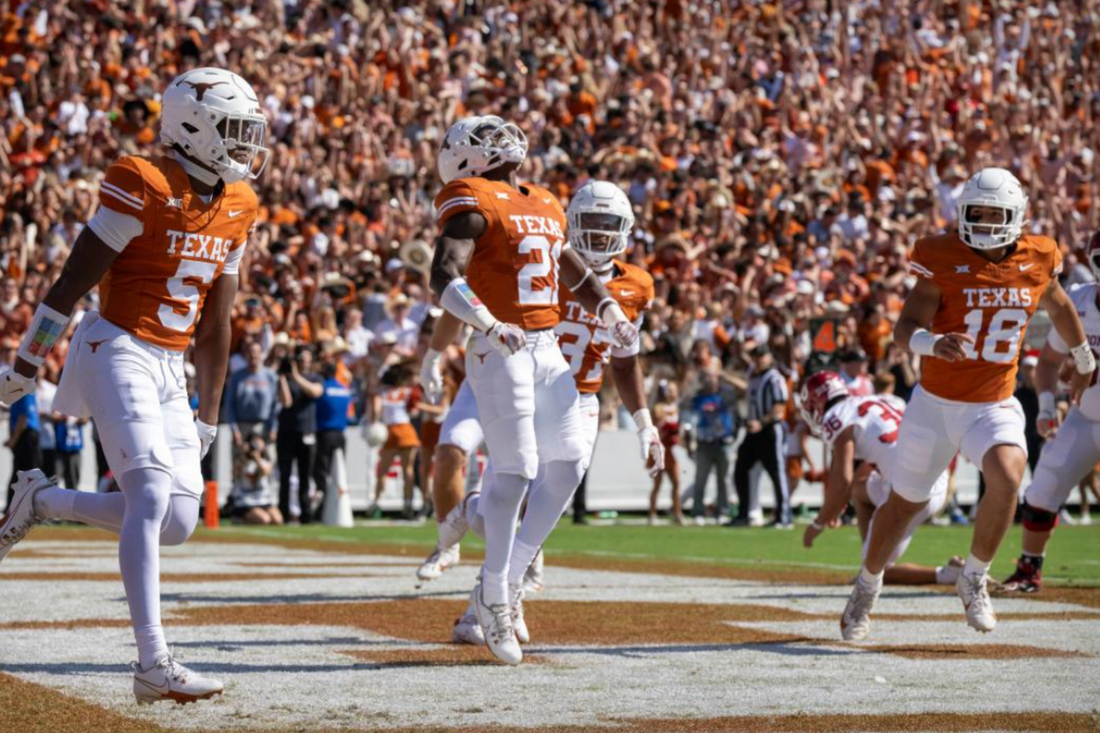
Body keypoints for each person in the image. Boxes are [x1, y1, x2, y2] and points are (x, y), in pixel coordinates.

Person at [0, 67, 266, 703]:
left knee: (176, 520)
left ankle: (41, 501)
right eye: (234, 130)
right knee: (148, 494)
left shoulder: (240, 203)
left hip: (171, 365)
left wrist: (210, 414)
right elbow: (69, 285)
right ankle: (153, 662)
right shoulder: (140, 180)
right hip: (115, 344)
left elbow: (217, 323)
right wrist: (25, 366)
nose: (245, 143)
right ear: (192, 126)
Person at [840, 168, 1093, 641]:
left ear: (1015, 216)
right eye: (974, 211)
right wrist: (932, 344)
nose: (981, 220)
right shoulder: (941, 256)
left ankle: (974, 576)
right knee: (902, 505)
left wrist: (1082, 356)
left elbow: (1059, 305)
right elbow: (904, 327)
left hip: (993, 403)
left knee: (1009, 473)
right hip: (934, 406)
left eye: (992, 213)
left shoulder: (1037, 255)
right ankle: (867, 587)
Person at [429, 141, 641, 667]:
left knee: (568, 461)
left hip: (546, 350)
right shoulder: (471, 197)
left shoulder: (543, 201)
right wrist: (488, 324)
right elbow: (444, 277)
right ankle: (496, 594)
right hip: (501, 345)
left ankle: (500, 572)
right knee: (518, 469)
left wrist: (610, 309)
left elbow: (572, 271)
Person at [1001, 234, 1100, 594]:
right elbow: (1049, 362)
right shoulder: (1080, 302)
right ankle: (1029, 571)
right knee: (1043, 487)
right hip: (1085, 416)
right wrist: (1045, 407)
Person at [800, 371, 963, 585]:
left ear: (816, 403)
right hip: (937, 474)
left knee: (874, 570)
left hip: (911, 491)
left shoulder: (837, 416)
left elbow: (842, 480)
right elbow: (862, 474)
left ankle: (949, 574)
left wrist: (818, 524)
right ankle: (875, 548)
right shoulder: (880, 400)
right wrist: (838, 504)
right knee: (861, 491)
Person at [733, 344, 792, 528]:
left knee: (777, 472)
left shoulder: (774, 378)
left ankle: (783, 516)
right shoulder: (755, 378)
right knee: (740, 469)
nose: (758, 359)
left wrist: (762, 422)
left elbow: (779, 406)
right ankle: (744, 514)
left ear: (769, 357)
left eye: (761, 355)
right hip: (754, 432)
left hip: (770, 430)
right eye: (756, 356)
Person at [276, 345, 323, 523]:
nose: (304, 362)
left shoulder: (315, 377)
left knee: (305, 475)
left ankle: (306, 513)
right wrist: (282, 376)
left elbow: (315, 392)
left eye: (306, 358)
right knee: (285, 475)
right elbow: (285, 402)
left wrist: (295, 376)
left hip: (307, 430)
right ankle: (284, 513)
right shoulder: (287, 379)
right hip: (287, 431)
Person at [686, 370, 739, 525]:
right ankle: (698, 511)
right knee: (700, 479)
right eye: (707, 377)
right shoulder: (697, 397)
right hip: (704, 441)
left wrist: (727, 377)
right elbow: (686, 409)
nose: (710, 381)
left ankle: (722, 510)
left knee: (723, 479)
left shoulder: (726, 395)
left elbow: (743, 391)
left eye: (712, 377)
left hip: (723, 441)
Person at [371, 362, 422, 520]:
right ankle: (407, 505)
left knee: (383, 470)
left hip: (391, 431)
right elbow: (414, 412)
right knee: (407, 470)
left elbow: (375, 411)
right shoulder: (408, 391)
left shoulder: (382, 393)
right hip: (406, 430)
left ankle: (377, 504)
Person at [312, 356, 354, 522]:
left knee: (322, 473)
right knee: (338, 471)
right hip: (341, 434)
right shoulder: (344, 389)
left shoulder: (322, 388)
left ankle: (321, 511)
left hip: (324, 433)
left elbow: (316, 410)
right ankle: (335, 506)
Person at [224, 339, 280, 452]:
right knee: (240, 466)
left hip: (264, 426)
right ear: (245, 355)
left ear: (261, 354)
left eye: (256, 352)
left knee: (265, 465)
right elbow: (230, 405)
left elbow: (276, 404)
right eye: (250, 352)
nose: (253, 355)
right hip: (242, 426)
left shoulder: (271, 376)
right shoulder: (236, 377)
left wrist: (274, 427)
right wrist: (234, 429)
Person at [230, 433, 282, 525]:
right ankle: (240, 517)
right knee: (264, 520)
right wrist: (243, 454)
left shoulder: (265, 461)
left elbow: (265, 472)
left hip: (263, 500)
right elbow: (235, 473)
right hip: (246, 501)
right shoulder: (240, 461)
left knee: (277, 520)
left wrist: (257, 458)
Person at [650, 379, 683, 525]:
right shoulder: (658, 407)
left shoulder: (676, 407)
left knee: (676, 482)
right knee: (657, 484)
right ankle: (652, 513)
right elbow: (659, 427)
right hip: (660, 449)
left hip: (670, 449)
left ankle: (677, 512)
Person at [5, 388, 41, 506]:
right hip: (23, 436)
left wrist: (13, 440)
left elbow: (23, 418)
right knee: (22, 474)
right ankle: (15, 506)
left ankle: (23, 507)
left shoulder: (24, 391)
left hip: (26, 437)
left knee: (28, 473)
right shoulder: (21, 392)